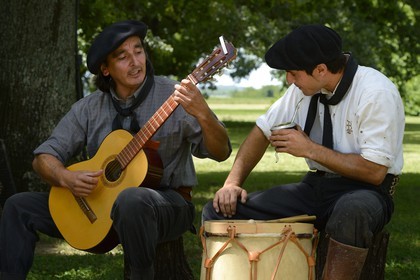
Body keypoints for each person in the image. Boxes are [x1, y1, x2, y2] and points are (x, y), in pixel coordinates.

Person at [0, 20, 231, 279]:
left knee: (131, 199)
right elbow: (44, 157)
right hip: (100, 206)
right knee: (18, 205)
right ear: (106, 69)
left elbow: (221, 152)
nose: (135, 61)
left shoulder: (175, 96)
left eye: (138, 51)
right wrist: (65, 177)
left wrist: (204, 114)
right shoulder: (89, 108)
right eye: (123, 57)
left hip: (167, 204)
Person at [202, 24, 404, 279]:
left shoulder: (375, 92)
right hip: (315, 189)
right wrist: (232, 183)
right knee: (219, 211)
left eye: (293, 73)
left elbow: (375, 172)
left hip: (368, 192)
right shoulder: (303, 88)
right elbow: (262, 131)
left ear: (320, 69)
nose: (289, 80)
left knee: (352, 211)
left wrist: (310, 149)